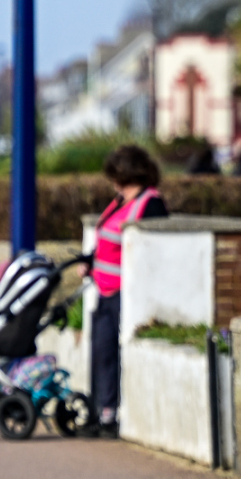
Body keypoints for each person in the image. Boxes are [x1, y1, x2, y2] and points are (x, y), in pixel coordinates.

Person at [89, 145, 167, 438]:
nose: (112, 182)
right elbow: (105, 240)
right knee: (102, 352)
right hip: (104, 290)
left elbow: (151, 250)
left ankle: (112, 415)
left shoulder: (150, 203)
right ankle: (103, 410)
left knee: (114, 353)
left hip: (125, 293)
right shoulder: (120, 201)